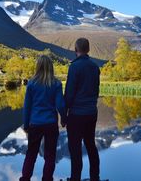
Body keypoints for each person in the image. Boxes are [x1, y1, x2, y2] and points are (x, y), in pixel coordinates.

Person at [20, 55, 67, 181]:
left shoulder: (31, 84)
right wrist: (64, 118)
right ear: (51, 67)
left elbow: (27, 107)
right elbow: (60, 104)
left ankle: (25, 178)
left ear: (38, 67)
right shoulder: (56, 84)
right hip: (51, 124)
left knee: (31, 154)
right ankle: (47, 178)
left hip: (35, 124)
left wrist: (26, 125)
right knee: (50, 155)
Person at [65, 38, 100, 181]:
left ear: (76, 49)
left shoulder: (74, 67)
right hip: (91, 113)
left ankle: (75, 178)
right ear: (88, 49)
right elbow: (96, 90)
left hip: (76, 114)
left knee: (75, 147)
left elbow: (69, 93)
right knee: (91, 144)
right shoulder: (95, 67)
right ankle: (95, 177)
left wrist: (64, 113)